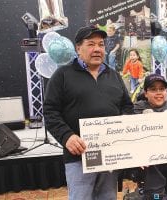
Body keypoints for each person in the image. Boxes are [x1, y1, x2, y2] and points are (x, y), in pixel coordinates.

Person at [43, 25, 133, 200]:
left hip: (110, 156)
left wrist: (123, 130)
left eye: (101, 44)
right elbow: (50, 111)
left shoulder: (114, 75)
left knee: (107, 197)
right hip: (79, 157)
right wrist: (66, 136)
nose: (98, 49)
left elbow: (127, 107)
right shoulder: (62, 75)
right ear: (78, 48)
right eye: (91, 44)